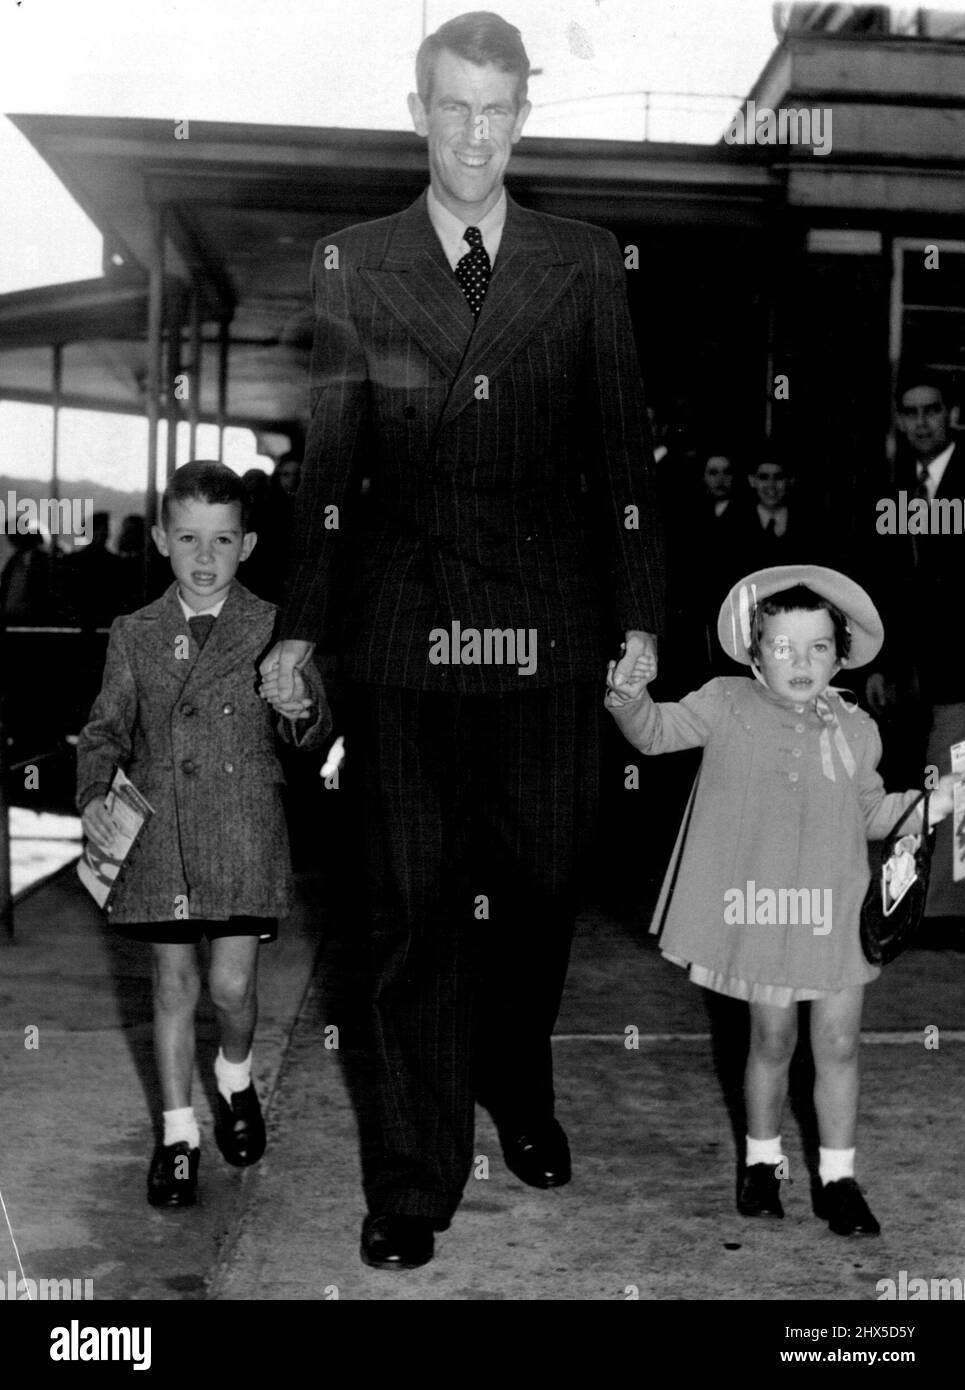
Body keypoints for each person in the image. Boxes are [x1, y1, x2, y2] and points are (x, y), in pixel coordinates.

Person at [259, 10, 664, 1270]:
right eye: (454, 106)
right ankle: (414, 1178)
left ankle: (516, 1079)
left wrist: (642, 614)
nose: (476, 133)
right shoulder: (354, 262)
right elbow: (329, 468)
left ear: (522, 116)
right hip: (405, 640)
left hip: (546, 633)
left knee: (541, 890)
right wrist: (303, 633)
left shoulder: (583, 259)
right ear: (418, 111)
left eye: (499, 109)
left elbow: (620, 457)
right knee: (412, 912)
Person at [605, 564, 958, 1237]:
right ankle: (762, 1163)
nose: (801, 662)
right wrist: (627, 695)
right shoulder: (724, 702)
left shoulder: (853, 727)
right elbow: (652, 733)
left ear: (841, 651)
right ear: (753, 648)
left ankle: (837, 1178)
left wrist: (929, 805)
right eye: (782, 646)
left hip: (835, 911)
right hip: (765, 910)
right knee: (771, 1036)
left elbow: (870, 815)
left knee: (838, 1043)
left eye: (819, 647)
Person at [76, 461, 329, 1208]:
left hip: (242, 833)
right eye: (188, 537)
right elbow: (102, 730)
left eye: (222, 539)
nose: (205, 556)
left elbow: (310, 727)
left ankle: (234, 1076)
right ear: (161, 539)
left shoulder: (277, 625)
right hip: (160, 840)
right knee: (173, 985)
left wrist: (300, 704)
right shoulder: (134, 633)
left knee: (233, 986)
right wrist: (93, 789)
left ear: (246, 544)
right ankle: (178, 1136)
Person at [864, 369, 965, 918]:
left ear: (950, 414)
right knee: (908, 782)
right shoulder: (899, 485)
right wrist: (882, 663)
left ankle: (948, 912)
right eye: (911, 412)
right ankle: (910, 905)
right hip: (912, 672)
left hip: (958, 672)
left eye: (932, 410)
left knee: (955, 778)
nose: (922, 422)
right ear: (900, 421)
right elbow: (894, 586)